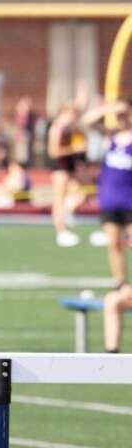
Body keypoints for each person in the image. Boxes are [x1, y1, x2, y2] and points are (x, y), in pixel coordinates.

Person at [99, 101, 132, 353]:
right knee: (114, 244)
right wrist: (110, 108)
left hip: (129, 199)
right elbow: (88, 122)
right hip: (111, 199)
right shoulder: (112, 137)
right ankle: (120, 281)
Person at [47, 105, 88, 247]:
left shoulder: (71, 128)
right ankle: (61, 231)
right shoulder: (57, 128)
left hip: (71, 165)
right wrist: (74, 149)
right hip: (60, 167)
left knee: (85, 191)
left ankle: (68, 212)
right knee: (59, 199)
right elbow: (53, 152)